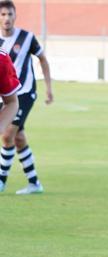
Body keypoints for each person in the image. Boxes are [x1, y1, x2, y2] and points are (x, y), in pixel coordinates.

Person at [0, 0, 52, 194]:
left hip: (25, 93)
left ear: (15, 16)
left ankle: (1, 180)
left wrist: (48, 87)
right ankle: (34, 183)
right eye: (3, 14)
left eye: (10, 14)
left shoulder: (27, 37)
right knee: (19, 138)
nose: (7, 18)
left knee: (7, 136)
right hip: (7, 95)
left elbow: (43, 59)